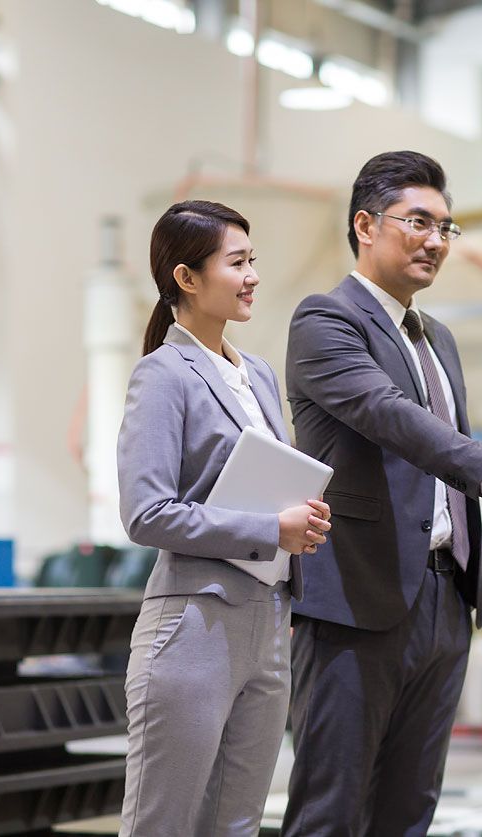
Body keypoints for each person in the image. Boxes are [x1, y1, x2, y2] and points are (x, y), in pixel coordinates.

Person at [281, 150, 482, 836]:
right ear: (364, 225)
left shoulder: (436, 336)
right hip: (357, 601)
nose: (436, 241)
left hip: (444, 600)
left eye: (446, 227)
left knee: (410, 810)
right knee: (331, 808)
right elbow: (394, 418)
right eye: (418, 221)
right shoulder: (324, 321)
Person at [117, 200, 332, 836]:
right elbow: (146, 512)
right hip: (193, 626)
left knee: (236, 824)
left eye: (252, 261)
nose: (253, 276)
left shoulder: (257, 374)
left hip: (267, 624)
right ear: (187, 278)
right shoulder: (162, 377)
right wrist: (272, 530)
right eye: (237, 263)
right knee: (164, 824)